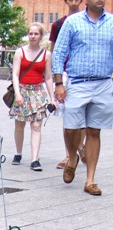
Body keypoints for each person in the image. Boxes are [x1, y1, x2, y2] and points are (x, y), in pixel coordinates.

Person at [52, 0, 113, 195]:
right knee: (71, 128)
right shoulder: (73, 22)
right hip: (77, 82)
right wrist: (59, 83)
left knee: (94, 131)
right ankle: (72, 157)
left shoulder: (111, 22)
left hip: (103, 83)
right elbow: (59, 53)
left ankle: (90, 180)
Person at [9, 23, 56, 171]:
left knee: (36, 125)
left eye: (36, 34)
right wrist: (17, 93)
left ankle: (35, 158)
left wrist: (52, 97)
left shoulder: (46, 54)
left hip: (38, 92)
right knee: (20, 124)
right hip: (22, 90)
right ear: (28, 35)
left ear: (41, 36)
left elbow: (48, 77)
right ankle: (18, 152)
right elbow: (15, 74)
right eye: (31, 33)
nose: (33, 36)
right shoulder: (20, 52)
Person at [50, 0, 86, 170]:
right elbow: (54, 50)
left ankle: (79, 147)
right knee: (68, 114)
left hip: (83, 73)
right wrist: (54, 78)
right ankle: (70, 154)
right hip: (64, 73)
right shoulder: (58, 24)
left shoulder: (89, 21)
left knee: (84, 115)